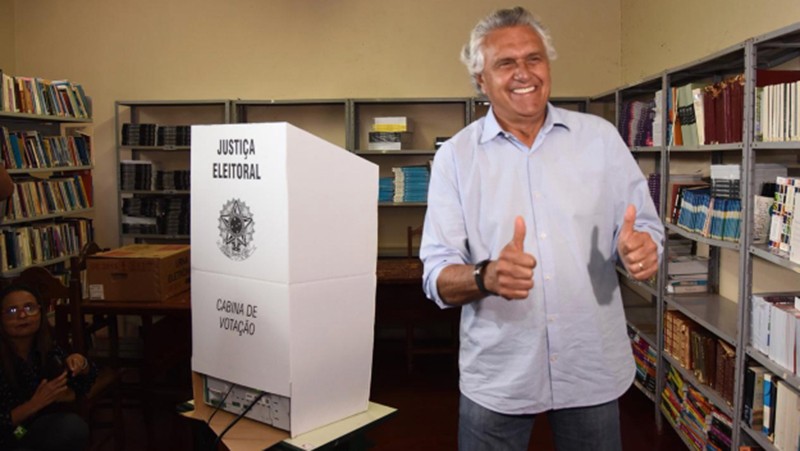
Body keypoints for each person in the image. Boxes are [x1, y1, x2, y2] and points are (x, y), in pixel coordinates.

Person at [419, 6, 664, 451]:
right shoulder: (455, 158)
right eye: (505, 63)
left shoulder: (600, 139)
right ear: (480, 80)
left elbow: (643, 228)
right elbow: (436, 275)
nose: (523, 73)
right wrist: (485, 276)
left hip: (590, 367)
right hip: (499, 377)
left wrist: (644, 249)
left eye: (533, 58)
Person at [0, 282, 97, 451]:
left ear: (40, 312)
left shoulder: (45, 348)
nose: (23, 316)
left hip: (25, 429)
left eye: (29, 307)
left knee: (71, 427)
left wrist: (82, 364)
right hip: (8, 435)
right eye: (12, 311)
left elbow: (80, 386)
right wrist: (34, 404)